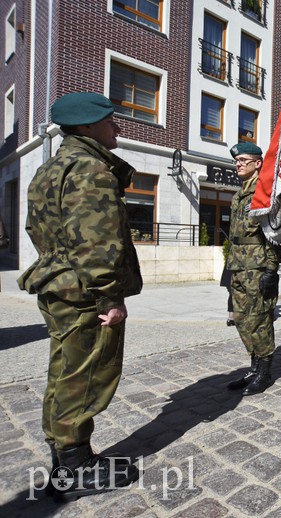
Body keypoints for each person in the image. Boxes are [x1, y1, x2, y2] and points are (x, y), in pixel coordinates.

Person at [17, 92, 141, 500]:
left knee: (64, 374)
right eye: (110, 121)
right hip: (84, 292)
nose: (117, 127)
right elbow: (97, 243)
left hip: (59, 286)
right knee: (86, 376)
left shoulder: (50, 168)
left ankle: (64, 458)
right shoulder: (90, 170)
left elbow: (38, 230)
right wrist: (110, 298)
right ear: (88, 127)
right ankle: (76, 468)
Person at [226, 141, 281, 396]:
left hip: (258, 266)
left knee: (259, 319)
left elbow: (277, 233)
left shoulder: (266, 192)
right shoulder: (239, 195)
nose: (238, 165)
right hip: (238, 265)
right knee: (241, 319)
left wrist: (271, 269)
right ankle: (254, 365)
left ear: (258, 163)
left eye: (243, 161)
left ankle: (264, 371)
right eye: (237, 161)